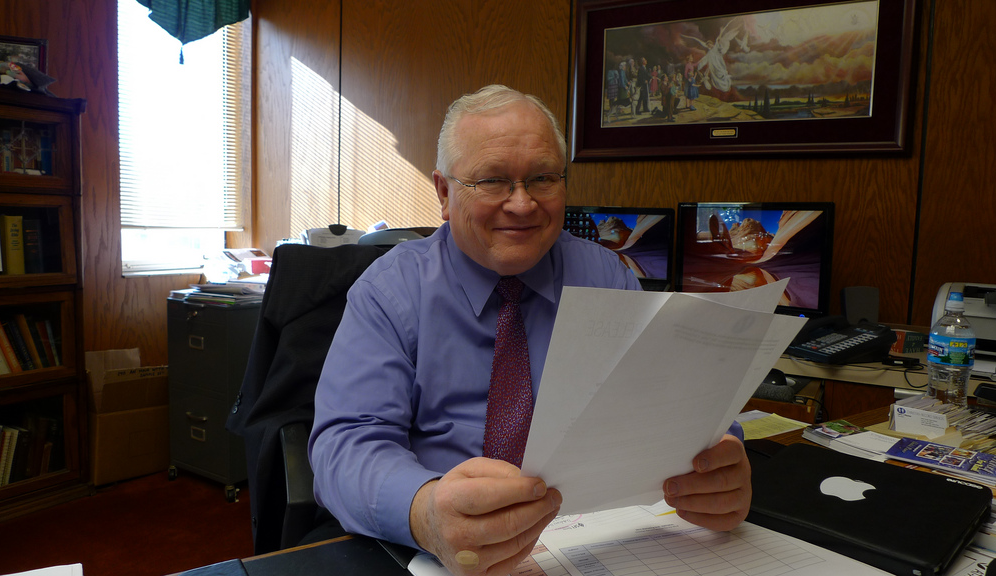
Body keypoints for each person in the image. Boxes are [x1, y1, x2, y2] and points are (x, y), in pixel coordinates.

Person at [308, 84, 751, 576]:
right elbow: (345, 446)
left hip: (594, 538)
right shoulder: (390, 291)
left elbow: (677, 402)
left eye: (542, 179)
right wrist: (425, 511)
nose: (522, 205)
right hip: (441, 553)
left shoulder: (605, 275)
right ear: (443, 191)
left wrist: (721, 461)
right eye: (493, 181)